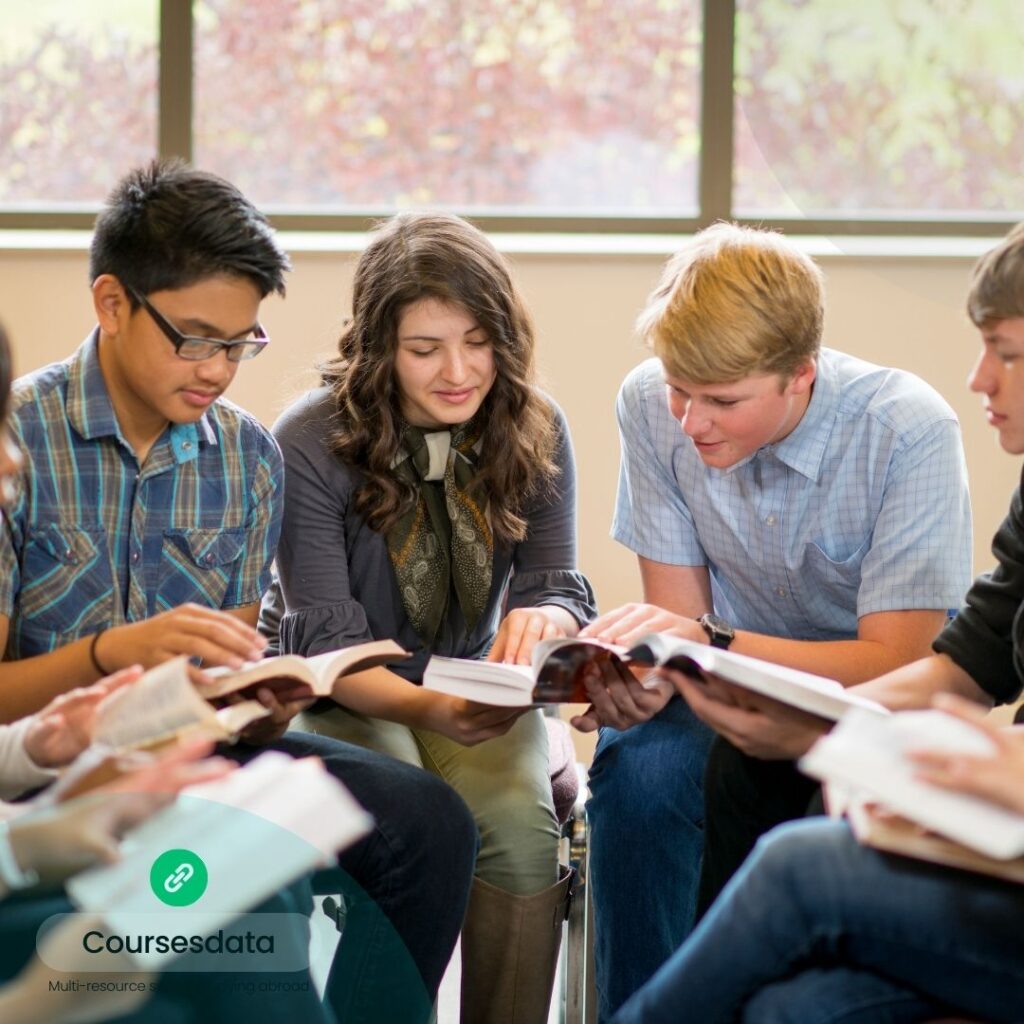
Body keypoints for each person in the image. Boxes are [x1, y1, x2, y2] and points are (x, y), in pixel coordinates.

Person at [0, 166, 477, 1023]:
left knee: (428, 823)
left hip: (196, 753)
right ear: (112, 303)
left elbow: (231, 676)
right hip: (46, 777)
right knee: (240, 896)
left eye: (240, 343)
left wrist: (264, 698)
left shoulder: (247, 460)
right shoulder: (17, 444)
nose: (219, 369)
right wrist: (110, 656)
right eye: (195, 339)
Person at [610, 219, 1024, 1024]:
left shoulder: (905, 427)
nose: (979, 378)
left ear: (799, 378)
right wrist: (824, 733)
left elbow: (905, 657)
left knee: (800, 865)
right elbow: (963, 667)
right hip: (968, 804)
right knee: (790, 1006)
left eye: (1005, 352)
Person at [262, 210, 597, 1023]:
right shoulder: (308, 440)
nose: (459, 371)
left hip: (470, 681)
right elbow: (332, 644)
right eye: (424, 350)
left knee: (519, 829)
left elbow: (557, 581)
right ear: (379, 349)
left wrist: (545, 619)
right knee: (419, 815)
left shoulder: (536, 424)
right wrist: (430, 708)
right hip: (338, 689)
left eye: (479, 341)